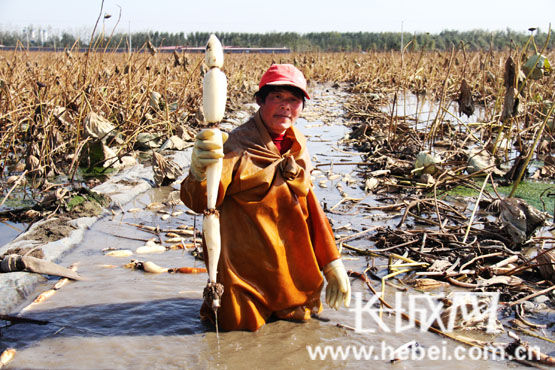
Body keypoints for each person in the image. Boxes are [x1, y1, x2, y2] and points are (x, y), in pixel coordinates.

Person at [180, 64, 350, 331]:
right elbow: (201, 202)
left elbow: (310, 206)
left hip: (287, 267)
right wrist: (199, 171)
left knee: (297, 328)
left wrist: (332, 263)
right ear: (260, 101)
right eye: (277, 98)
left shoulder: (298, 144)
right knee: (233, 332)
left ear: (302, 107)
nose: (286, 106)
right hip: (245, 271)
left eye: (293, 100)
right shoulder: (235, 145)